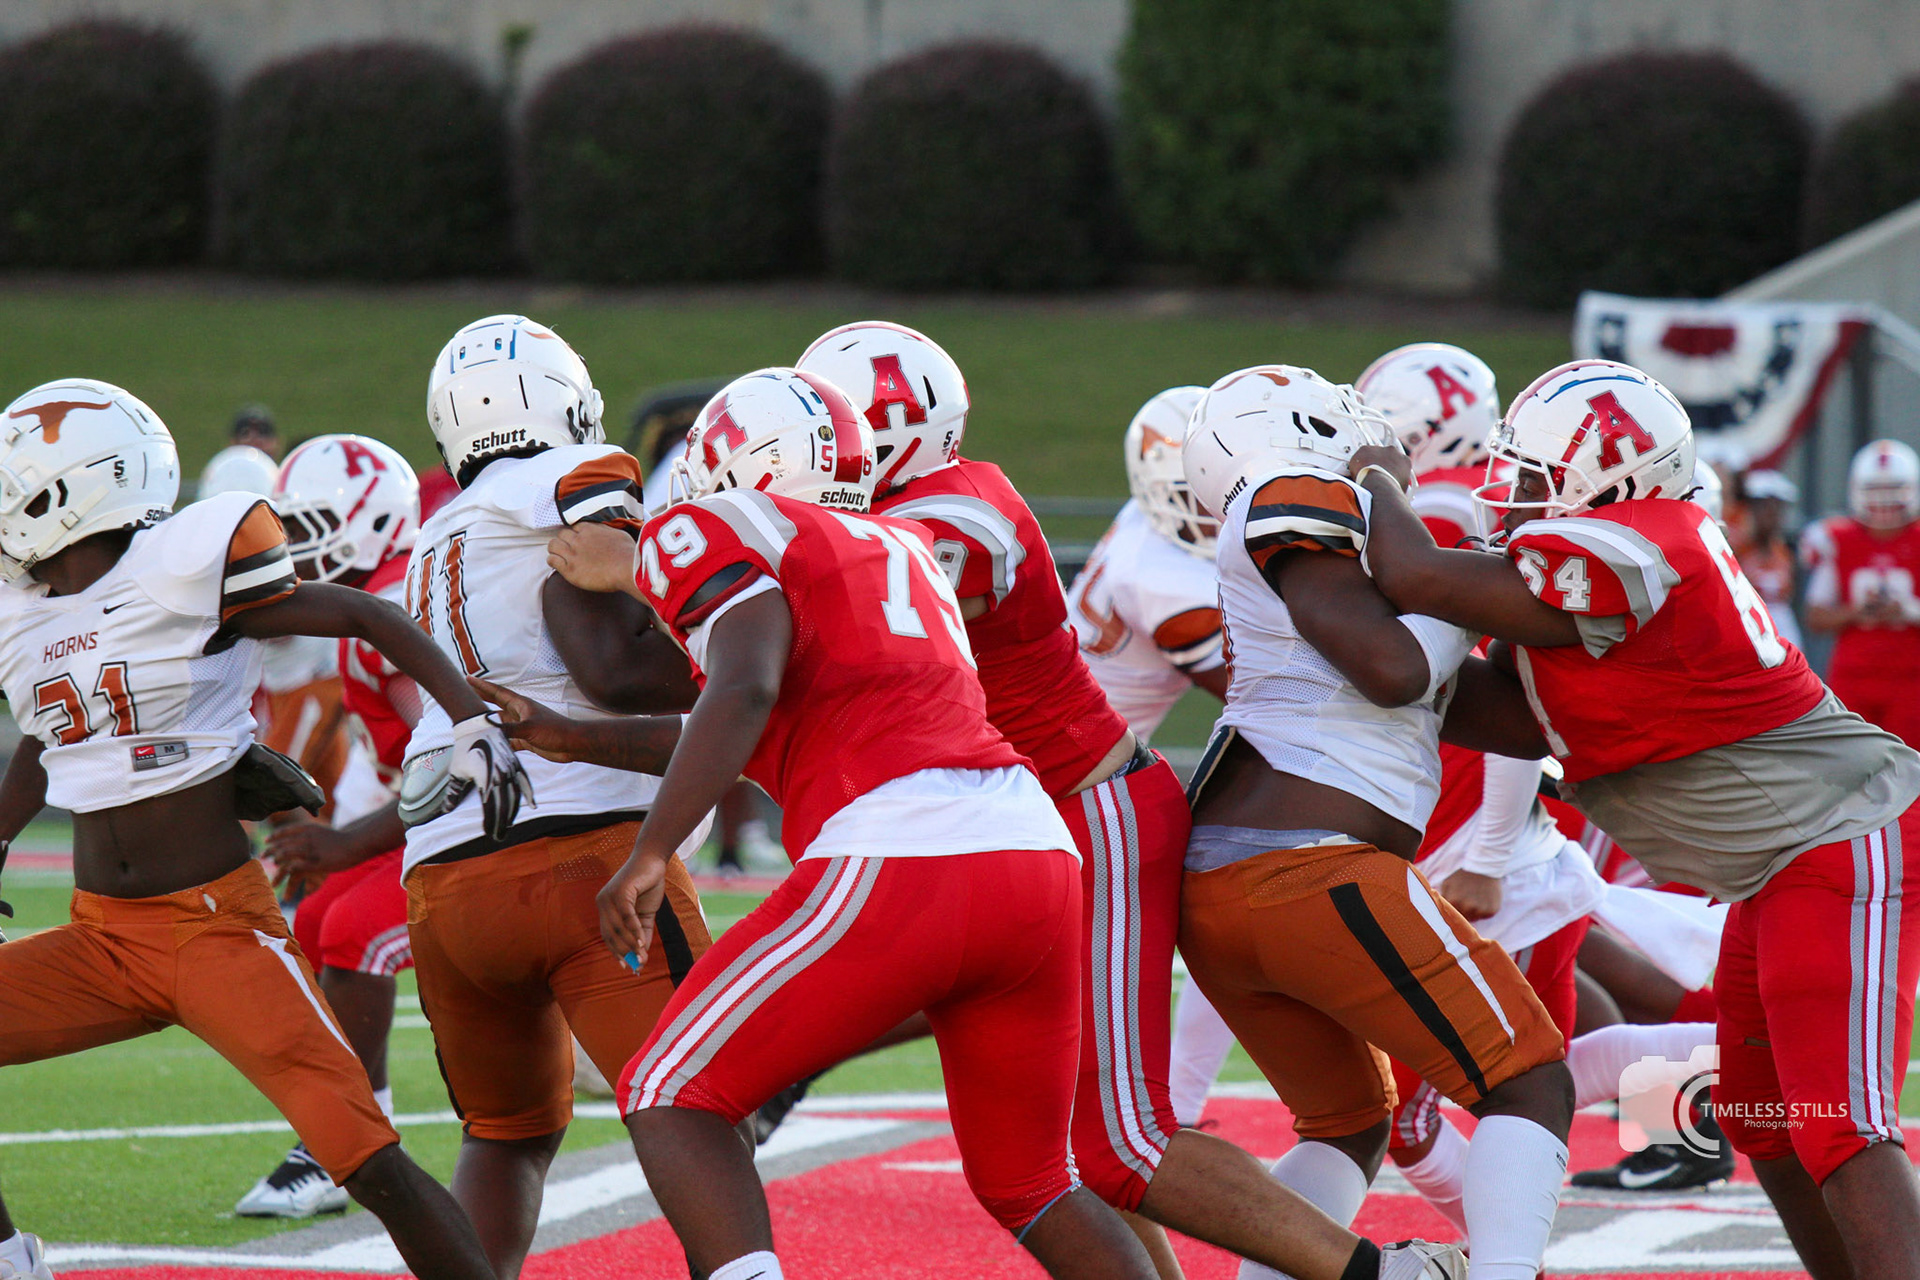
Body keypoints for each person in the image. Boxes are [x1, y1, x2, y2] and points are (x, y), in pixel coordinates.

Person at [505, 364, 1459, 1280]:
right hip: (1033, 854)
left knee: (667, 1090)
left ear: (738, 461)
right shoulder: (904, 551)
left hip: (912, 846)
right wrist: (573, 735)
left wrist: (651, 840)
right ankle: (1384, 1275)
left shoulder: (723, 524)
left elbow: (741, 685)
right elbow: (748, 711)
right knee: (1033, 1179)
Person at [802, 322, 1456, 1280]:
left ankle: (1392, 1274)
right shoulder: (971, 515)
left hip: (1092, 811)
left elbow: (858, 604)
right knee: (1047, 1159)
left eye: (820, 432)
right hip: (1034, 825)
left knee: (1125, 1141)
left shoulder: (956, 510)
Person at [1349, 359, 1920, 1280]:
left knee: (1838, 1125)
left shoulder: (1648, 538)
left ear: (1613, 481)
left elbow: (1416, 573)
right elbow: (1497, 712)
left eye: (1535, 476)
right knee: (1767, 1120)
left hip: (1844, 837)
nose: (1512, 494)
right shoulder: (1613, 566)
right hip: (1782, 862)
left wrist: (1366, 477)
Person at [0, 379, 526, 1279]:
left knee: (367, 1160)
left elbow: (369, 613)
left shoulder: (182, 568)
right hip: (101, 936)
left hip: (215, 930)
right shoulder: (28, 612)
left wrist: (470, 716)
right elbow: (44, 742)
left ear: (72, 486)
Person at [1175, 364, 1575, 1280]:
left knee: (1349, 1124)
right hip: (1309, 868)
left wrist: (1521, 607)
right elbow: (1395, 668)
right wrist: (1451, 571)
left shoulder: (1334, 562)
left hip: (1235, 887)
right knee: (1528, 1077)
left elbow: (1513, 720)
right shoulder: (1295, 491)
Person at [400, 315, 712, 1280]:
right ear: (565, 401)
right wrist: (733, 653)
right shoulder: (578, 475)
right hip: (585, 849)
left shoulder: (434, 537)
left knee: (507, 1133)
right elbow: (615, 669)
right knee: (699, 1107)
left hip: (445, 881)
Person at [235, 434, 424, 1218]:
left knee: (351, 932)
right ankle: (353, 1130)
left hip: (496, 824)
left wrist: (347, 841)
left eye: (310, 527)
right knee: (313, 925)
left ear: (371, 521)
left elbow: (459, 758)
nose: (295, 547)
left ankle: (345, 1142)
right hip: (434, 818)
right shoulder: (363, 603)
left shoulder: (399, 601)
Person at [1802, 439, 1920, 749]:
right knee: (1850, 760)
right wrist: (1855, 611)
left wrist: (1906, 610)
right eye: (1875, 489)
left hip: (1911, 677)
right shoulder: (1837, 539)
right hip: (1853, 674)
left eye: (1893, 488)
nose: (1884, 499)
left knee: (1911, 764)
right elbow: (1816, 617)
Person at [1734, 468, 1802, 650]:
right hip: (1747, 628)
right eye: (1763, 506)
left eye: (1777, 507)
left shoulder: (1784, 552)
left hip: (1783, 630)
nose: (1771, 514)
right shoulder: (1735, 550)